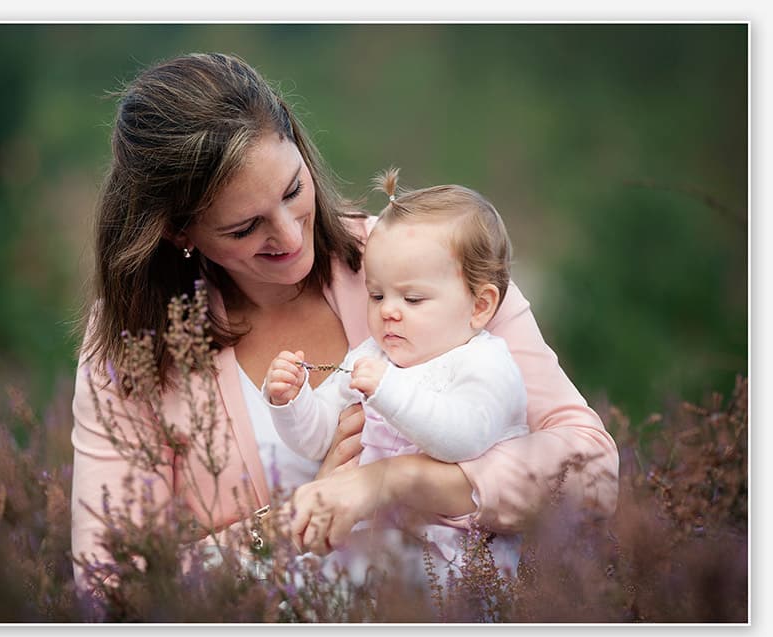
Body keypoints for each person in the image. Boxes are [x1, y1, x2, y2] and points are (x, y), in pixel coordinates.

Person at [70, 52, 619, 596]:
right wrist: (289, 521)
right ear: (179, 233)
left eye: (291, 192)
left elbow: (592, 470)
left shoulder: (426, 266)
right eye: (244, 228)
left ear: (302, 152)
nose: (288, 238)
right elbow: (108, 590)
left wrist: (397, 482)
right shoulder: (132, 346)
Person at [261, 168, 529, 575]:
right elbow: (319, 440)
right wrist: (292, 401)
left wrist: (389, 390)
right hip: (373, 545)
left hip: (454, 556)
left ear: (479, 306)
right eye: (377, 294)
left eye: (414, 298)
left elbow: (463, 440)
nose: (388, 310)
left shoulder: (486, 363)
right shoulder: (374, 356)